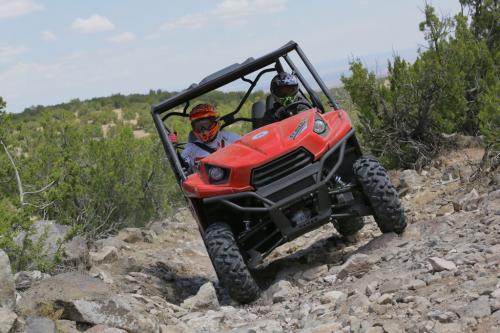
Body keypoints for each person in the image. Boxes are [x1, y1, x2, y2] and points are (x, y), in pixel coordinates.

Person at [173, 103, 240, 172]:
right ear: (193, 128)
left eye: (206, 125)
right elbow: (181, 167)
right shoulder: (191, 148)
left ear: (216, 122)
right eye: (199, 127)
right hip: (205, 182)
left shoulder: (231, 138)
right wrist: (173, 148)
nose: (203, 130)